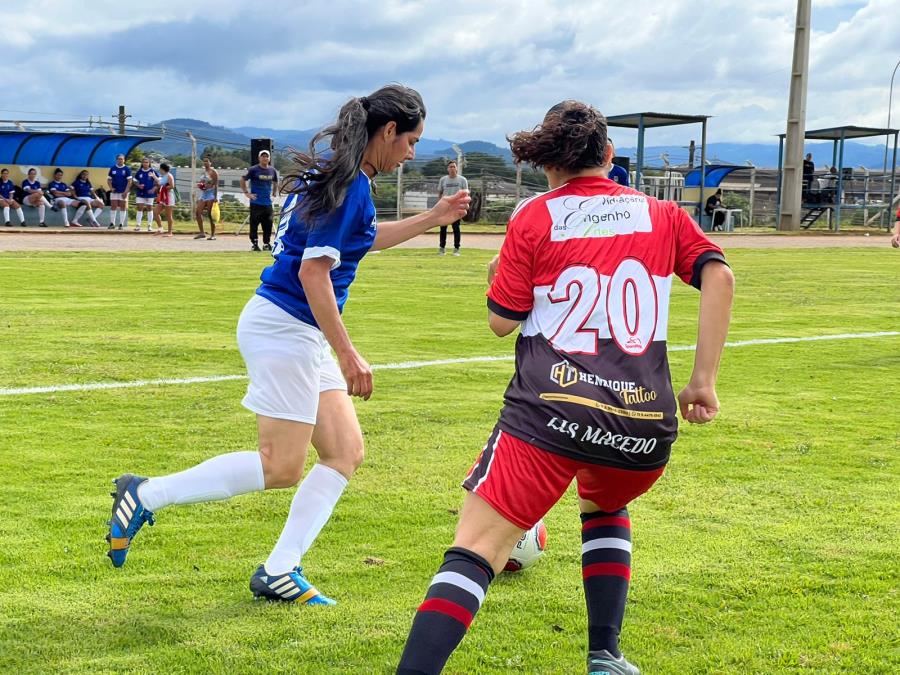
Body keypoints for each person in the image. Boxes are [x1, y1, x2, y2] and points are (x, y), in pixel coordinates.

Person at [396, 100, 734, 675]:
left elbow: (503, 320)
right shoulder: (663, 214)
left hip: (549, 413)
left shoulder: (534, 216)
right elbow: (719, 276)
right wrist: (702, 381)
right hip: (642, 426)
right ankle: (606, 653)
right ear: (609, 155)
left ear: (549, 162)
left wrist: (495, 279)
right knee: (606, 502)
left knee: (477, 549)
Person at [105, 84, 470, 606]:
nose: (411, 153)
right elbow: (314, 273)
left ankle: (279, 570)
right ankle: (145, 494)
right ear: (388, 132)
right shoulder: (348, 187)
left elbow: (360, 240)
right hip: (286, 328)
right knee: (281, 466)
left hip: (294, 328)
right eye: (411, 141)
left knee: (344, 452)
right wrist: (348, 353)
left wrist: (431, 219)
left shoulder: (340, 179)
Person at [241, 149, 279, 251]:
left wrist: (274, 194)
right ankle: (255, 243)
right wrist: (247, 193)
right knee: (254, 224)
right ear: (259, 158)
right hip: (256, 202)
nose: (265, 158)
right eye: (263, 156)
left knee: (268, 224)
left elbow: (275, 182)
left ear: (269, 158)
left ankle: (266, 243)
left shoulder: (272, 170)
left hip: (267, 203)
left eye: (266, 156)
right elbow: (243, 179)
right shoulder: (253, 169)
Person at [437, 160, 468, 256]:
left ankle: (456, 249)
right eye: (450, 167)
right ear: (447, 169)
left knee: (456, 228)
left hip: (457, 207)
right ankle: (442, 248)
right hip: (445, 207)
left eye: (454, 166)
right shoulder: (443, 180)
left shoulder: (462, 180)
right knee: (443, 228)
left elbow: (466, 193)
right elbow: (440, 193)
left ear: (457, 168)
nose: (452, 168)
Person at [133, 157, 160, 232]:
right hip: (140, 193)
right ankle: (138, 225)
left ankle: (149, 225)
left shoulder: (152, 171)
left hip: (149, 193)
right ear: (142, 163)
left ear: (149, 163)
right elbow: (134, 181)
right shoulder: (139, 172)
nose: (145, 163)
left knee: (149, 208)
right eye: (144, 162)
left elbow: (158, 182)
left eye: (147, 162)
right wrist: (138, 185)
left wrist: (153, 189)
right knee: (139, 208)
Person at [107, 154, 133, 230]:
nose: (120, 160)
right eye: (119, 159)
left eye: (121, 159)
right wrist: (111, 188)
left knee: (123, 207)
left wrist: (126, 191)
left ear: (124, 160)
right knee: (113, 206)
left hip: (123, 191)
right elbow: (109, 180)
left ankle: (121, 224)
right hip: (114, 191)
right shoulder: (113, 168)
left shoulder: (127, 169)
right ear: (116, 160)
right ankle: (112, 223)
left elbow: (130, 181)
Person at [195, 157, 218, 240]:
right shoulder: (203, 172)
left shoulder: (213, 172)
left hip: (211, 194)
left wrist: (215, 197)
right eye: (204, 161)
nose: (205, 163)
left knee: (210, 215)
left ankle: (213, 234)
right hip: (204, 194)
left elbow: (216, 184)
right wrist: (200, 185)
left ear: (210, 162)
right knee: (198, 212)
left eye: (207, 161)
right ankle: (202, 232)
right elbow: (202, 182)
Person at [153, 163, 176, 237]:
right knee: (155, 212)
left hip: (169, 197)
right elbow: (160, 182)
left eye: (160, 169)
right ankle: (160, 228)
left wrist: (164, 188)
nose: (160, 170)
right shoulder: (164, 176)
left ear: (163, 169)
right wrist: (154, 177)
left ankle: (170, 232)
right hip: (163, 196)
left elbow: (172, 186)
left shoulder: (169, 175)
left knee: (168, 215)